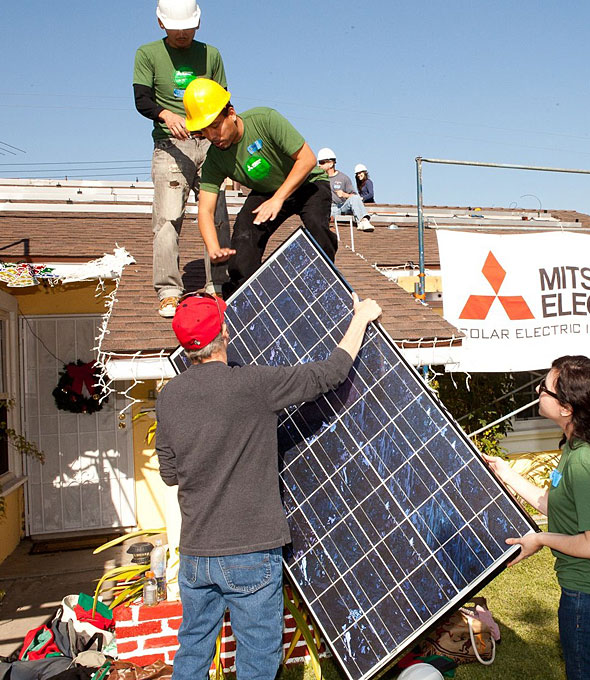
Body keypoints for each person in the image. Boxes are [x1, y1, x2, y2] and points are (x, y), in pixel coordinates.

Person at [156, 290, 382, 680]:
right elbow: (329, 373)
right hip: (251, 550)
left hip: (196, 553)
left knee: (191, 650)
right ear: (223, 334)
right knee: (258, 661)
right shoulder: (253, 385)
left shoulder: (169, 395)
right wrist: (360, 318)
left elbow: (169, 473)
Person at [483, 355, 590, 680]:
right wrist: (507, 474)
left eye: (546, 387)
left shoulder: (585, 461)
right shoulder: (578, 445)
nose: (539, 390)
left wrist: (539, 539)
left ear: (567, 408)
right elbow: (557, 506)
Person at [181, 79, 337, 296]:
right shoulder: (215, 160)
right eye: (204, 131)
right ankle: (244, 297)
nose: (212, 136)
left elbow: (308, 159)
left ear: (232, 113)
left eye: (216, 126)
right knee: (244, 236)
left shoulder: (265, 120)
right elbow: (205, 210)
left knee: (317, 226)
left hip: (307, 181)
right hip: (267, 191)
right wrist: (214, 247)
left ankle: (323, 285)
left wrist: (278, 198)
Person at [133, 0, 231, 318]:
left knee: (216, 215)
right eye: (176, 29)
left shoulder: (211, 55)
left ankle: (217, 286)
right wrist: (164, 113)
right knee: (167, 218)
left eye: (187, 29)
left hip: (209, 144)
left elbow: (224, 100)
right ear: (161, 25)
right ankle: (169, 291)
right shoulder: (147, 54)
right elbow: (141, 98)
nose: (182, 35)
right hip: (170, 145)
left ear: (198, 24)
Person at [317, 148, 374, 232]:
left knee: (355, 198)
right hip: (327, 209)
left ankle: (363, 221)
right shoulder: (318, 178)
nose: (319, 165)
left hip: (340, 207)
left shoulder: (343, 178)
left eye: (322, 162)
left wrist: (344, 195)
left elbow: (355, 197)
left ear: (330, 164)